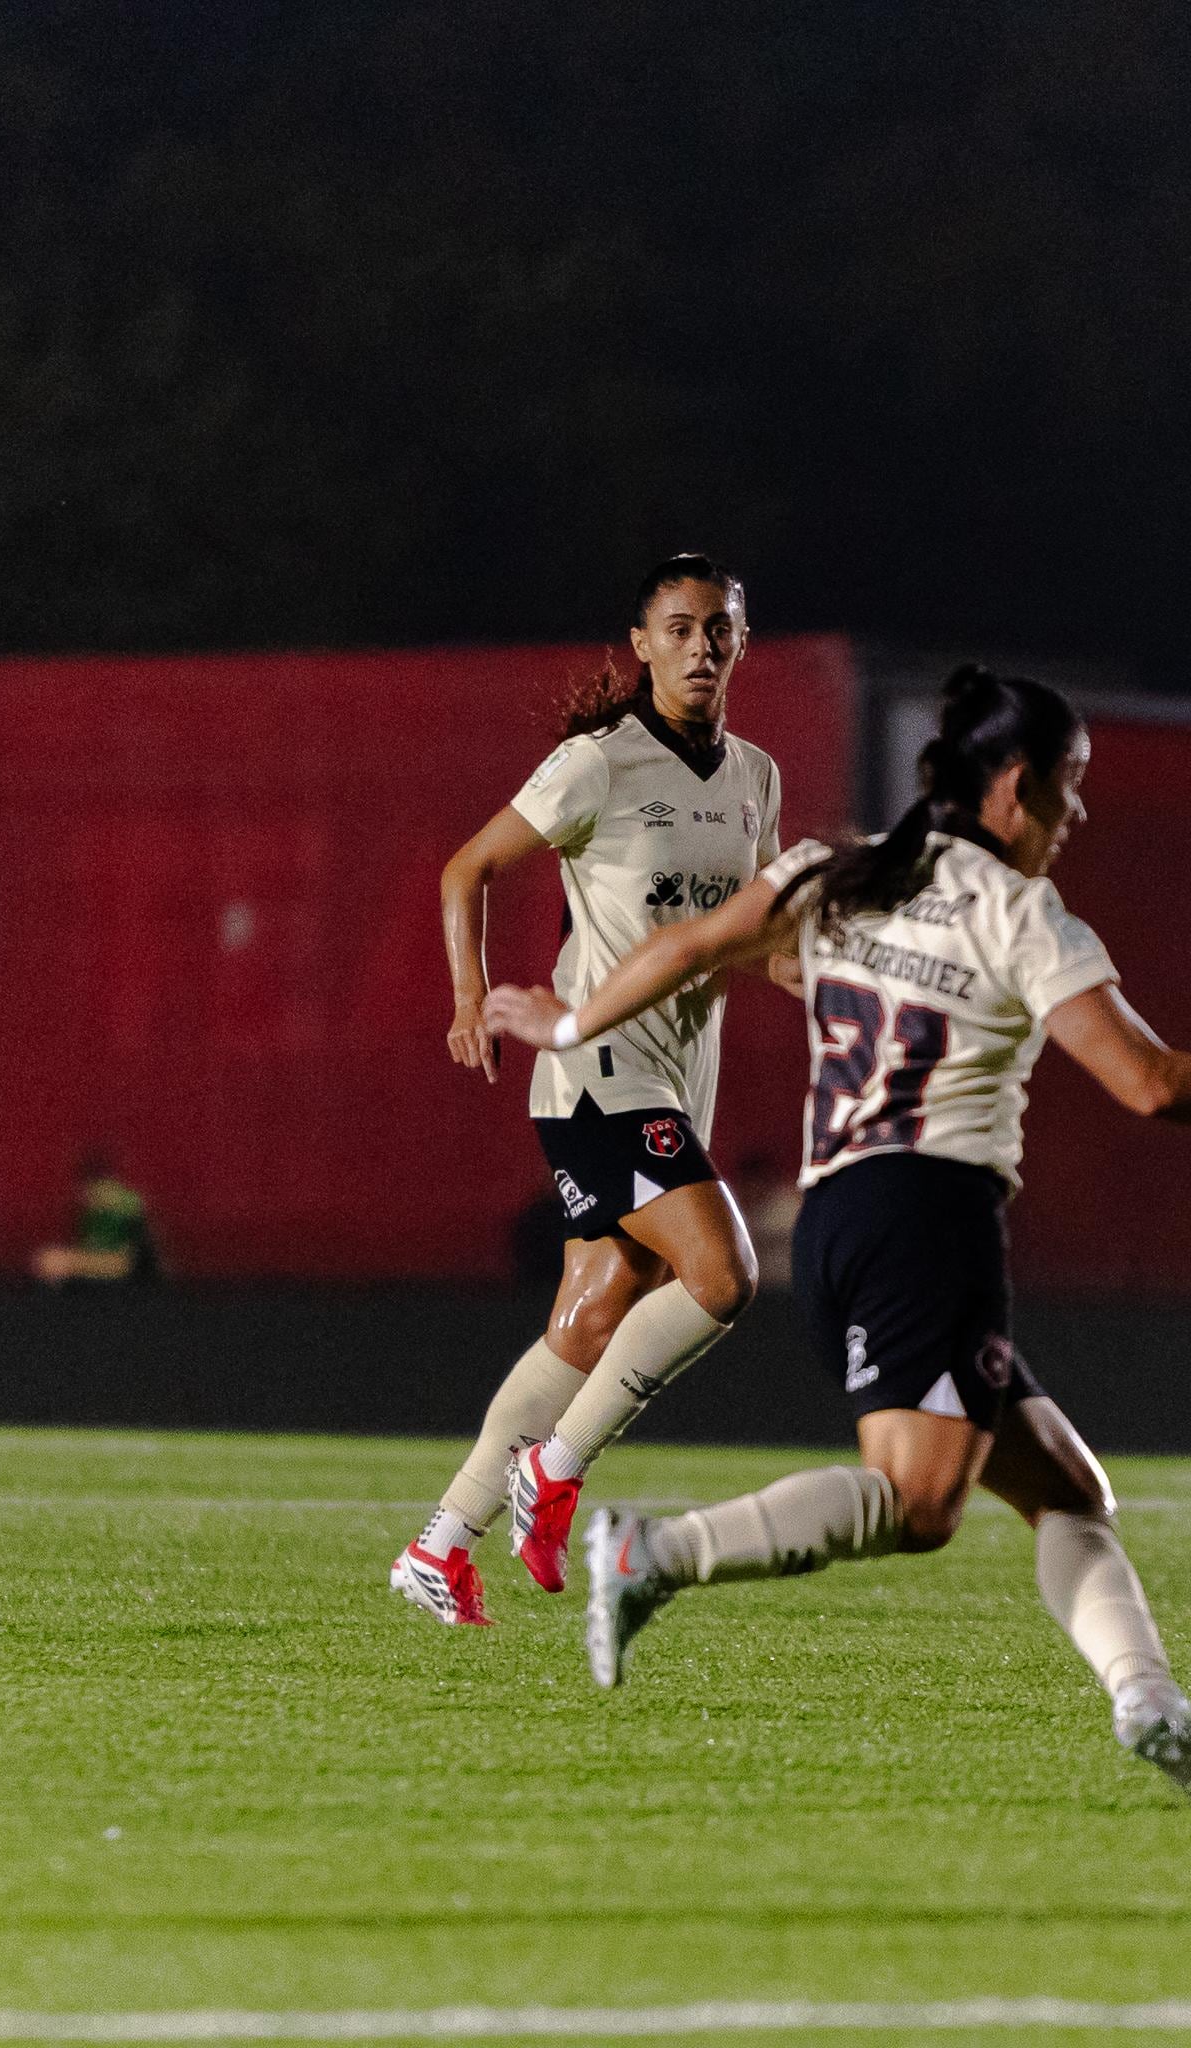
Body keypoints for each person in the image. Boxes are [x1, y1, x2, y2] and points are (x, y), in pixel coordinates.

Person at [484, 667, 1191, 1796]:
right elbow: (1152, 1082)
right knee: (919, 1505)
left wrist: (566, 1019)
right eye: (1069, 789)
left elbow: (685, 947)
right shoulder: (1016, 912)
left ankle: (1151, 1700)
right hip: (930, 1218)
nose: (1075, 816)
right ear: (1012, 788)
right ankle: (655, 1551)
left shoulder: (839, 870)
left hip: (838, 1224)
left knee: (1068, 1489)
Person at [394, 554, 787, 1625]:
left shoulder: (754, 776)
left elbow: (755, 936)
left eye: (719, 629)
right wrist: (470, 996)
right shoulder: (598, 764)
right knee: (722, 1273)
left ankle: (437, 1545)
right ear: (642, 646)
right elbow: (464, 868)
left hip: (675, 1080)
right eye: (680, 628)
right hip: (595, 1073)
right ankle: (555, 1469)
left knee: (592, 1310)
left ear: (740, 643)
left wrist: (841, 979)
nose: (702, 646)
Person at [33, 1153, 161, 1285]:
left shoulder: (121, 1206)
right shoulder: (93, 1210)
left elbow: (124, 1258)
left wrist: (74, 1262)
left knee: (52, 1262)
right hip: (105, 1263)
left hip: (123, 1268)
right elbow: (90, 1245)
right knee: (49, 1260)